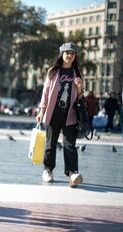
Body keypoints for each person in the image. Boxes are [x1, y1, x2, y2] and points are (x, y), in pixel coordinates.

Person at [36, 42, 85, 188]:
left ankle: (72, 173)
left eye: (72, 53)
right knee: (50, 144)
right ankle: (48, 170)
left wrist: (80, 87)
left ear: (75, 56)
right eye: (67, 52)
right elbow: (45, 93)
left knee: (70, 145)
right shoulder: (53, 72)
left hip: (70, 114)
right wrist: (41, 110)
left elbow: (81, 97)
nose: (69, 55)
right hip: (54, 113)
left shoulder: (77, 73)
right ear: (61, 54)